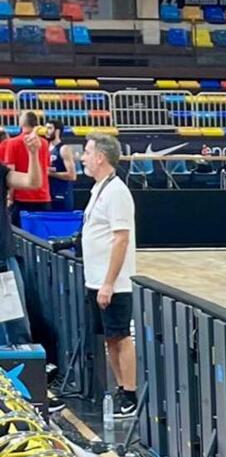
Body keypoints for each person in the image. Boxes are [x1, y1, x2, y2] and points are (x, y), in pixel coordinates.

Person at [81, 133, 137, 415]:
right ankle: (120, 387)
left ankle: (130, 393)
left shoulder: (117, 192)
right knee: (109, 337)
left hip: (113, 283)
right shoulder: (99, 189)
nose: (83, 158)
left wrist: (108, 283)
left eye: (87, 152)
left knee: (121, 335)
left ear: (100, 157)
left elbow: (121, 239)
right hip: (96, 279)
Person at [0, 128, 42, 345]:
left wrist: (33, 155)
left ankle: (20, 376)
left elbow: (33, 182)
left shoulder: (1, 172)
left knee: (15, 327)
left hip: (2, 259)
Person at [6, 111, 51, 225]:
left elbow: (10, 170)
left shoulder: (12, 143)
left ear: (21, 123)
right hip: (43, 195)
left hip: (22, 197)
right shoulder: (44, 143)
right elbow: (46, 167)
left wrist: (10, 197)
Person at [47, 122, 78, 211]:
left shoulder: (64, 149)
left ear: (57, 131)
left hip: (62, 195)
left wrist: (50, 173)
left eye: (49, 128)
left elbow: (72, 175)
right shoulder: (47, 148)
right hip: (49, 194)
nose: (47, 131)